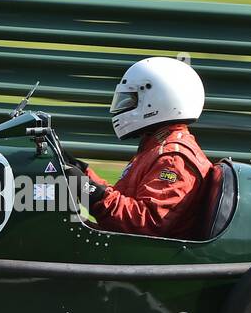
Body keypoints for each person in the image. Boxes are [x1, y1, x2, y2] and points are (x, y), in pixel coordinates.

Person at [64, 57, 212, 238]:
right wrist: (84, 174)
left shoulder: (173, 159)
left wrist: (88, 190)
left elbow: (146, 224)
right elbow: (124, 198)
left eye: (131, 99)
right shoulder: (156, 147)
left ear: (159, 100)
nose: (124, 106)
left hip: (145, 256)